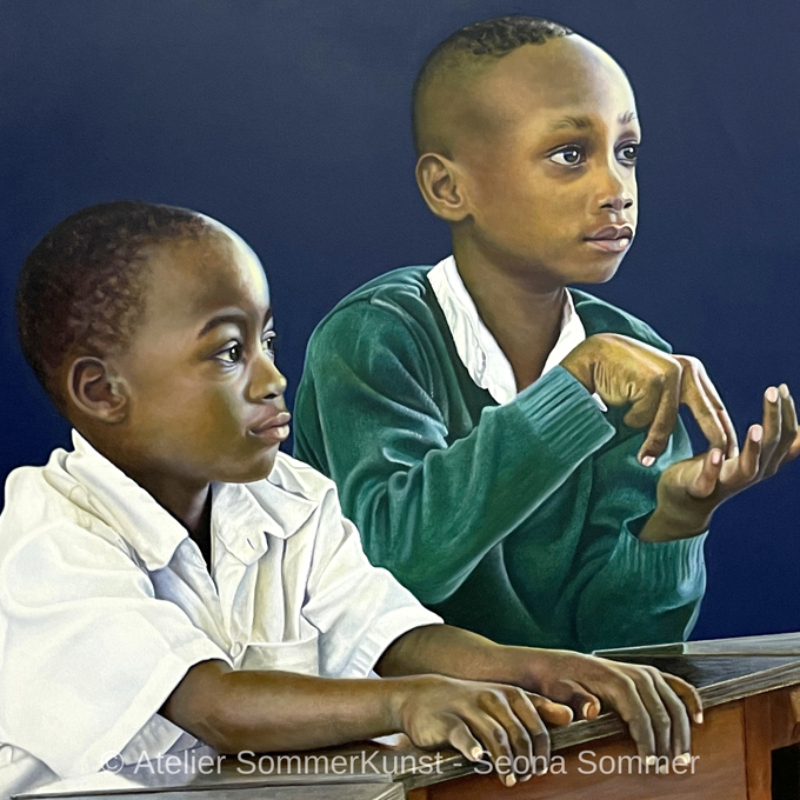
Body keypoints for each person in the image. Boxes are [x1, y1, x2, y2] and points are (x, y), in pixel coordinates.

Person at [0, 201, 705, 798]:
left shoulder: (292, 498)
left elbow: (395, 637)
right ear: (101, 392)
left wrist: (542, 666)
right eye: (226, 353)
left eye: (267, 340)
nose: (273, 378)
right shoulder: (48, 539)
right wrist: (408, 702)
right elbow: (216, 708)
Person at [293, 16, 800, 653]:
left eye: (627, 152)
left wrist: (676, 519)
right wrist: (572, 386)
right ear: (449, 188)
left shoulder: (629, 348)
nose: (617, 189)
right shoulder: (375, 336)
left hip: (560, 740)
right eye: (569, 155)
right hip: (387, 738)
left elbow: (623, 648)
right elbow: (396, 567)